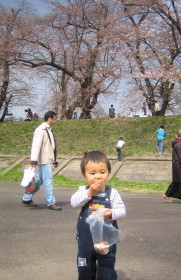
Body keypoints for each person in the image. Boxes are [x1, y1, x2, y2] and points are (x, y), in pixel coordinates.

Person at [71, 151, 126, 280]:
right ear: (84, 175)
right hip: (86, 240)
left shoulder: (112, 193)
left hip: (106, 240)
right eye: (92, 173)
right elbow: (74, 203)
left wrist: (111, 213)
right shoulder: (82, 191)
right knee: (85, 268)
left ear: (108, 173)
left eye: (102, 172)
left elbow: (122, 211)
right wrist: (89, 192)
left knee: (106, 267)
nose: (98, 177)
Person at [22, 111, 62, 210]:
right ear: (49, 118)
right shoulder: (41, 130)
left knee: (38, 181)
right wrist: (34, 160)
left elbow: (52, 147)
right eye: (54, 118)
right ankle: (51, 202)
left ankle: (27, 198)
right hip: (43, 160)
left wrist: (55, 160)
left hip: (47, 159)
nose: (55, 120)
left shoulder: (48, 129)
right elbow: (36, 146)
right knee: (48, 181)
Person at [162, 129, 181, 205]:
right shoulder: (180, 144)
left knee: (176, 182)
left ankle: (166, 195)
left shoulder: (179, 143)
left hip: (178, 166)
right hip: (180, 166)